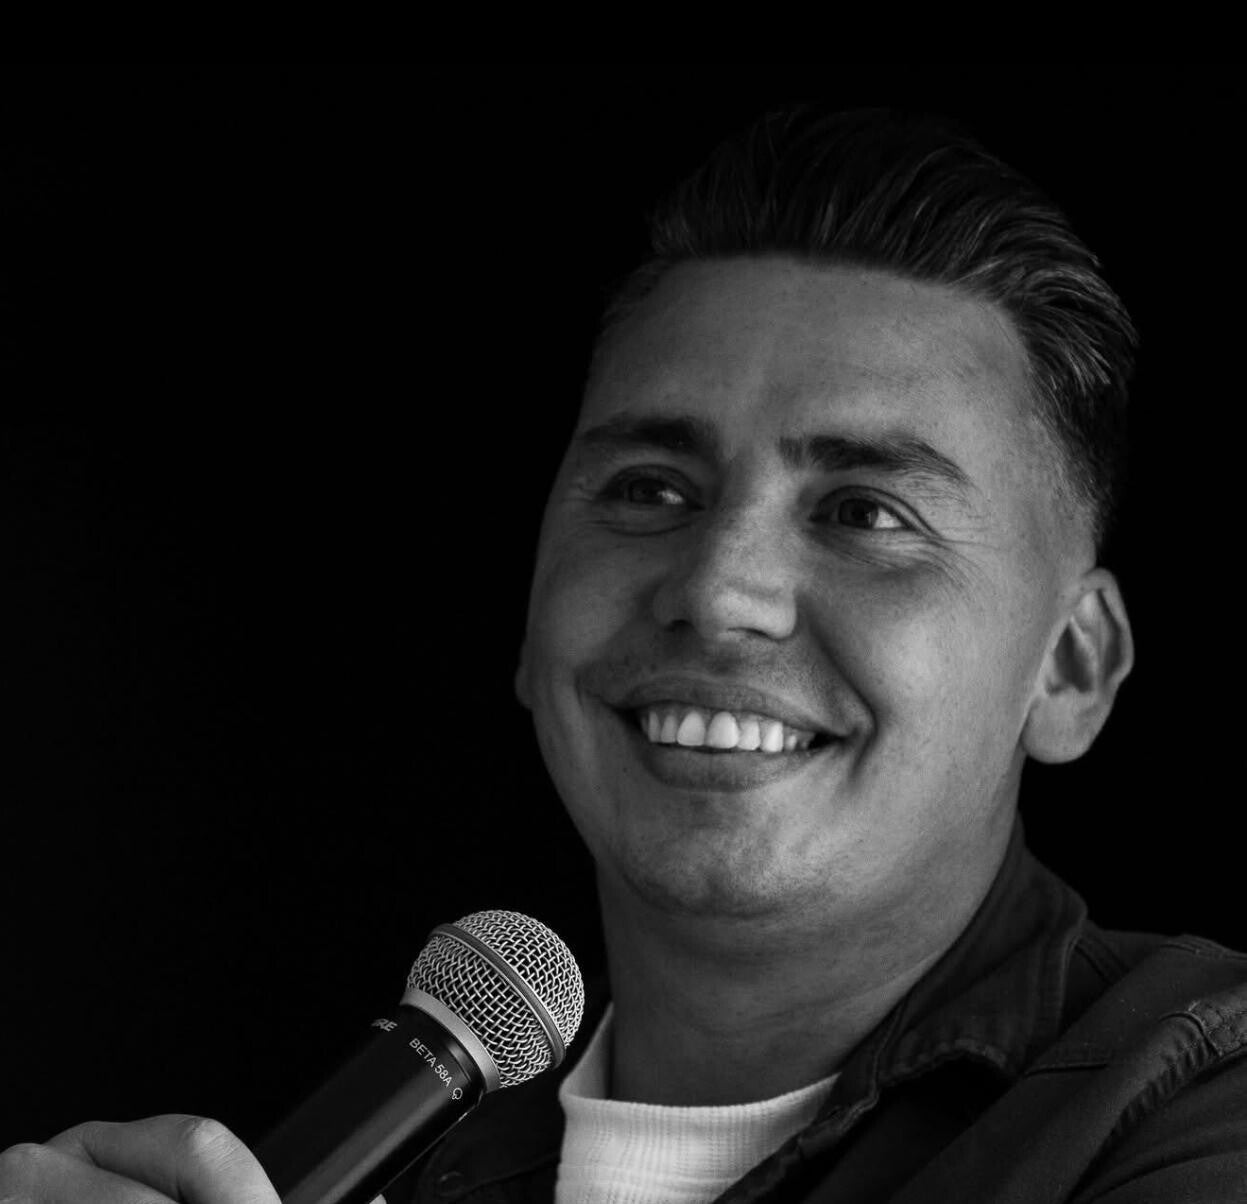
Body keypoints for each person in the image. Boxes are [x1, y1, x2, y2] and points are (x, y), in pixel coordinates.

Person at [4, 104, 1246, 1203]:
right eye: (650, 489)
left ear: (1070, 667)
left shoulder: (1197, 1104)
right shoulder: (402, 1162)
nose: (715, 589)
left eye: (864, 513)